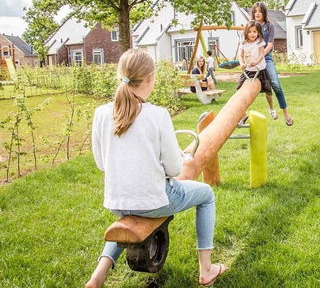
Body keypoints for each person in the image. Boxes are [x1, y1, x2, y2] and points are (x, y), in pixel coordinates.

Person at [85, 49, 227, 288]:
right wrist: (183, 158)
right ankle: (206, 269)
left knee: (129, 218)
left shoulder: (100, 113)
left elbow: (102, 164)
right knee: (207, 195)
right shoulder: (158, 115)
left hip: (117, 203)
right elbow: (173, 168)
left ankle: (97, 276)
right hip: (155, 201)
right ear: (150, 78)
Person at [251, 2, 294, 126]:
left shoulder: (269, 26)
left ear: (264, 12)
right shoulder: (251, 26)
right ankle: (270, 109)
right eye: (255, 11)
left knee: (275, 84)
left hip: (266, 58)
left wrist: (261, 56)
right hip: (253, 59)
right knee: (259, 86)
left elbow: (270, 45)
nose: (257, 13)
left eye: (259, 11)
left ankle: (286, 114)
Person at [236, 20, 273, 97]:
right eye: (249, 32)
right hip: (248, 70)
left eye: (254, 31)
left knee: (268, 90)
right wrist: (242, 63)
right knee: (239, 88)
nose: (252, 34)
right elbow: (240, 56)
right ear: (246, 32)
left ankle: (271, 108)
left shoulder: (260, 42)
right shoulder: (243, 43)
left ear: (258, 33)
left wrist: (256, 62)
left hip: (260, 69)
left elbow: (261, 54)